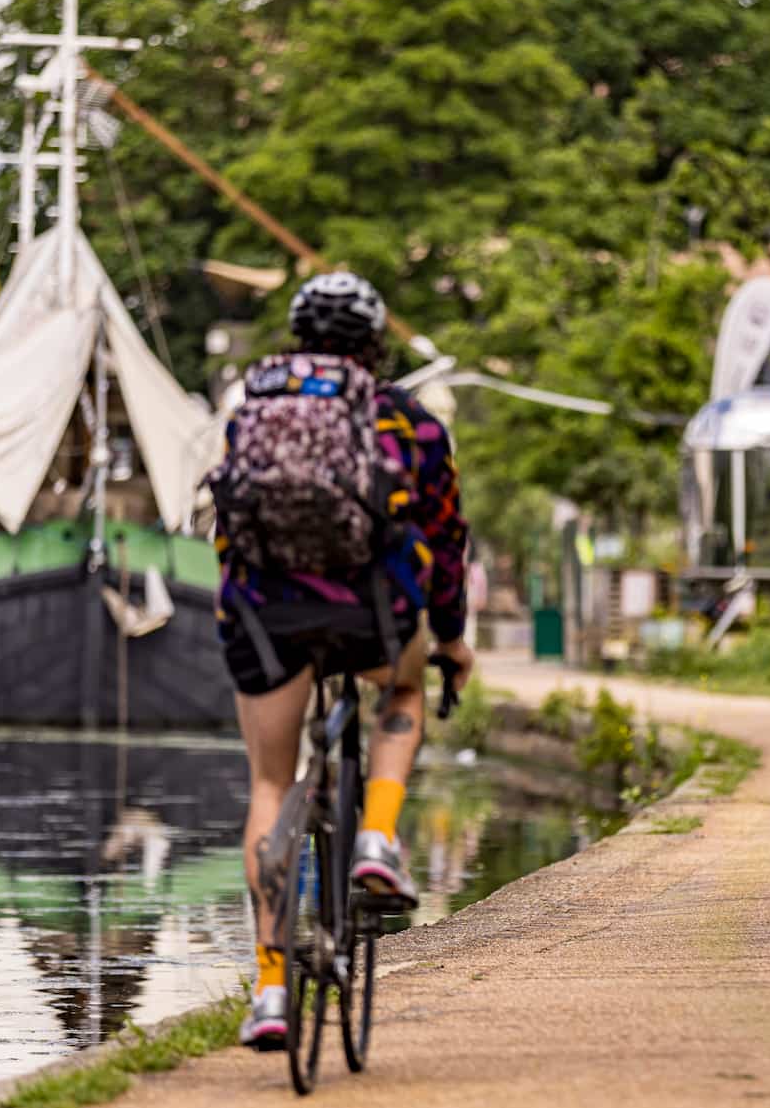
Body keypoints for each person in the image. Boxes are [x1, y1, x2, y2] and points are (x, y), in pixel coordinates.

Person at [214, 272, 473, 1048]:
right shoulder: (411, 421)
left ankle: (267, 987)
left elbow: (228, 514)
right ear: (375, 343)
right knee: (404, 694)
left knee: (269, 779)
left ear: (298, 340)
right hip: (369, 614)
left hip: (265, 615)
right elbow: (447, 536)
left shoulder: (254, 408)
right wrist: (451, 636)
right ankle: (377, 838)